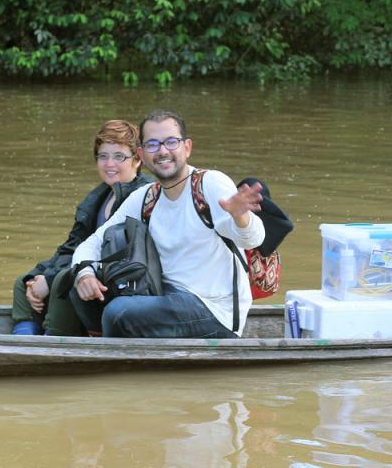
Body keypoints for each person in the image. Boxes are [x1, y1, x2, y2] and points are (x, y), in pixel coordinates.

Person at [70, 109, 265, 338]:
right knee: (81, 291)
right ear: (142, 153)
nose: (162, 151)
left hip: (213, 310)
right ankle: (106, 351)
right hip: (165, 297)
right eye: (153, 144)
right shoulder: (146, 197)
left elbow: (252, 239)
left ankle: (116, 366)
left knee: (118, 312)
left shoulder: (209, 184)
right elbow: (94, 241)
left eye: (171, 142)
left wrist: (240, 216)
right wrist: (85, 273)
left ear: (187, 147)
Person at [10, 120, 151, 335]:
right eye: (103, 156)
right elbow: (72, 247)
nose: (109, 164)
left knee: (62, 280)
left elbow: (124, 255)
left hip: (119, 283)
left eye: (119, 156)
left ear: (137, 159)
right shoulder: (98, 197)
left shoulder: (144, 196)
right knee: (23, 283)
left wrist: (50, 279)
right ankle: (23, 343)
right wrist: (38, 277)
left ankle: (52, 341)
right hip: (86, 266)